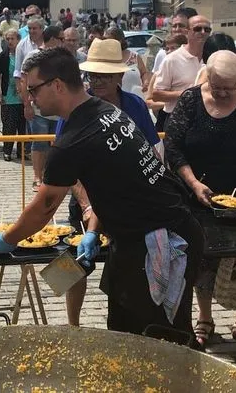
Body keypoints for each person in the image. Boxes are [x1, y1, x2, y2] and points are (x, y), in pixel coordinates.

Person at [0, 48, 204, 342]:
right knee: (124, 328)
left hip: (160, 242)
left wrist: (8, 239)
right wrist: (92, 230)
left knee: (160, 339)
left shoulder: (74, 140)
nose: (30, 98)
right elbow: (115, 183)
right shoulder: (108, 112)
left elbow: (45, 207)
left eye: (33, 90)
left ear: (57, 85)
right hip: (140, 237)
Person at [164, 51, 236, 345]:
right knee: (201, 258)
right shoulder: (191, 101)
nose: (223, 93)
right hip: (198, 195)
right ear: (208, 77)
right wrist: (191, 183)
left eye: (230, 87)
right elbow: (174, 148)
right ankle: (204, 317)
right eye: (218, 87)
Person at [59, 38, 162, 327]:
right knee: (73, 266)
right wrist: (87, 205)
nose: (98, 81)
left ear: (120, 75)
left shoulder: (135, 105)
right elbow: (66, 169)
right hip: (86, 199)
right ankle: (72, 326)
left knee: (125, 267)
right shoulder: (75, 108)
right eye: (93, 74)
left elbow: (152, 151)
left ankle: (124, 323)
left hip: (129, 205)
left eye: (105, 74)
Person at [18, 24, 64, 192]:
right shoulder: (33, 56)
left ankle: (51, 177)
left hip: (59, 110)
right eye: (61, 38)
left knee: (57, 145)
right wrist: (27, 104)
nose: (63, 42)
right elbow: (24, 81)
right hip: (39, 109)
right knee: (39, 144)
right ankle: (37, 177)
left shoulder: (61, 57)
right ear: (52, 39)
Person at [150, 13, 209, 131]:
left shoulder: (212, 57)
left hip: (205, 120)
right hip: (177, 120)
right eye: (198, 29)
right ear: (187, 31)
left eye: (207, 29)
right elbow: (156, 95)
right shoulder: (171, 59)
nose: (203, 32)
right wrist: (189, 93)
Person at [0, 28, 28, 162]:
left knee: (22, 125)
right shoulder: (4, 56)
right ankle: (7, 151)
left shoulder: (25, 55)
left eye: (12, 39)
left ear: (19, 40)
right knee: (9, 125)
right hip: (8, 95)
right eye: (7, 39)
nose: (10, 41)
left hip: (22, 95)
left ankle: (21, 151)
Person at [104, 27, 148, 93]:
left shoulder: (134, 56)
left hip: (135, 99)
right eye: (105, 40)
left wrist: (145, 82)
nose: (106, 43)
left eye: (110, 40)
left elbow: (144, 73)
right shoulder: (103, 58)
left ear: (120, 40)